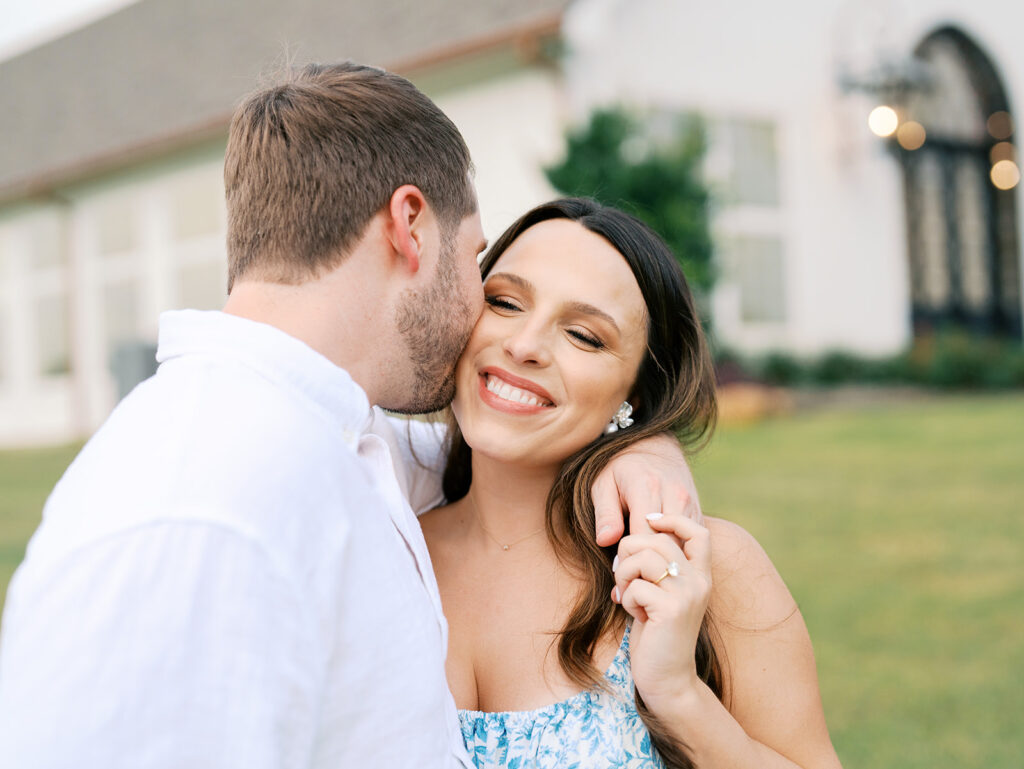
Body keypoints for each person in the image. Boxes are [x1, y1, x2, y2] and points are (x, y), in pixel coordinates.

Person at [0, 64, 702, 768]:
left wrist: (641, 449)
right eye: (476, 260)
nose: (485, 315)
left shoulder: (336, 439)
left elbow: (511, 463)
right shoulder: (202, 511)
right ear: (410, 227)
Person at [421, 198, 844, 769]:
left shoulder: (706, 571)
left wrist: (679, 696)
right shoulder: (381, 541)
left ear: (634, 393)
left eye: (584, 336)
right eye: (503, 302)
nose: (524, 345)